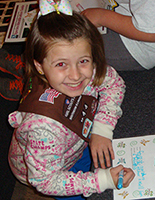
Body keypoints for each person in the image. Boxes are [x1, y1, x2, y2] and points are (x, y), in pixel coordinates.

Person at [8, 0, 135, 199]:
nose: (76, 75)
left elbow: (114, 84)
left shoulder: (88, 72)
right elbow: (46, 181)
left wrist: (101, 130)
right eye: (61, 64)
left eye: (83, 60)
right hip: (47, 167)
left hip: (73, 141)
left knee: (84, 158)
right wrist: (101, 181)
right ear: (40, 67)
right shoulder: (41, 129)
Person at [81, 0, 155, 71]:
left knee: (70, 45)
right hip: (120, 11)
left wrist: (101, 17)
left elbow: (151, 34)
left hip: (140, 45)